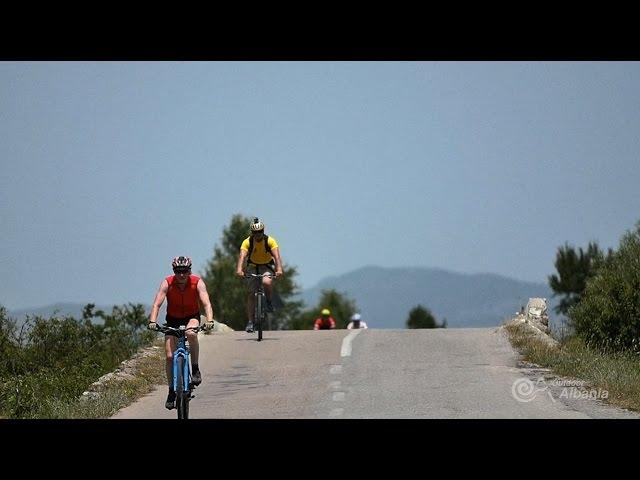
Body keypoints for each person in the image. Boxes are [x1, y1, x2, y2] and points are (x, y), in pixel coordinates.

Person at [148, 256, 215, 410]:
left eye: (185, 271)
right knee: (170, 356)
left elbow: (206, 302)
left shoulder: (197, 282)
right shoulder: (167, 282)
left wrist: (210, 320)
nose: (182, 275)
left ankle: (195, 367)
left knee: (191, 334)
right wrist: (152, 321)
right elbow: (157, 303)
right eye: (178, 271)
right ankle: (171, 391)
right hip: (172, 319)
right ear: (174, 271)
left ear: (189, 271)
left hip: (192, 316)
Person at [236, 217, 284, 333]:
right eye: (255, 233)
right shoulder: (247, 242)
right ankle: (251, 322)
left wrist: (279, 269)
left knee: (267, 282)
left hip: (266, 266)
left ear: (263, 231)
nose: (257, 235)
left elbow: (276, 257)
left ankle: (268, 301)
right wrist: (239, 270)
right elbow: (242, 256)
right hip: (253, 267)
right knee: (251, 293)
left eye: (260, 232)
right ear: (252, 233)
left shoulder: (270, 241)